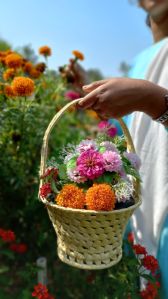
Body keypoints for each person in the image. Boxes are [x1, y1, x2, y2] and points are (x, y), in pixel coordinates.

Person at [79, 0, 168, 297]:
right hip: (140, 219)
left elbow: (151, 107)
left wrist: (153, 100)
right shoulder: (141, 61)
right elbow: (131, 140)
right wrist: (91, 98)